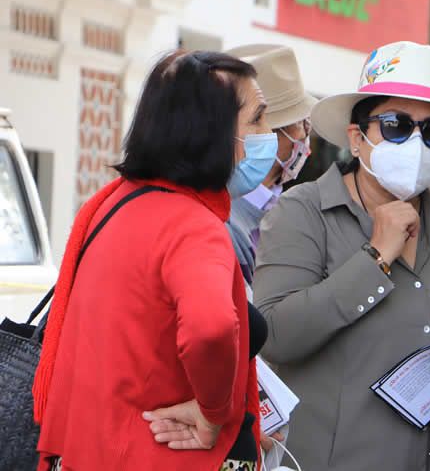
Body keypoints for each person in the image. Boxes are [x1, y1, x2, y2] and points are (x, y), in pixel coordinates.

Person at [253, 41, 430, 470]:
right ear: (357, 138)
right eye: (397, 125)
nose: (416, 142)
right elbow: (274, 335)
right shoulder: (303, 210)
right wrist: (375, 258)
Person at [32, 50, 273, 470]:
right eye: (256, 119)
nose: (266, 134)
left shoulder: (113, 205)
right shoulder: (193, 226)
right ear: (208, 131)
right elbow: (211, 328)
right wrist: (214, 412)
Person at [223, 44, 318, 290]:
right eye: (299, 124)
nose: (305, 135)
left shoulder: (288, 207)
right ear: (268, 134)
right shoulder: (224, 214)